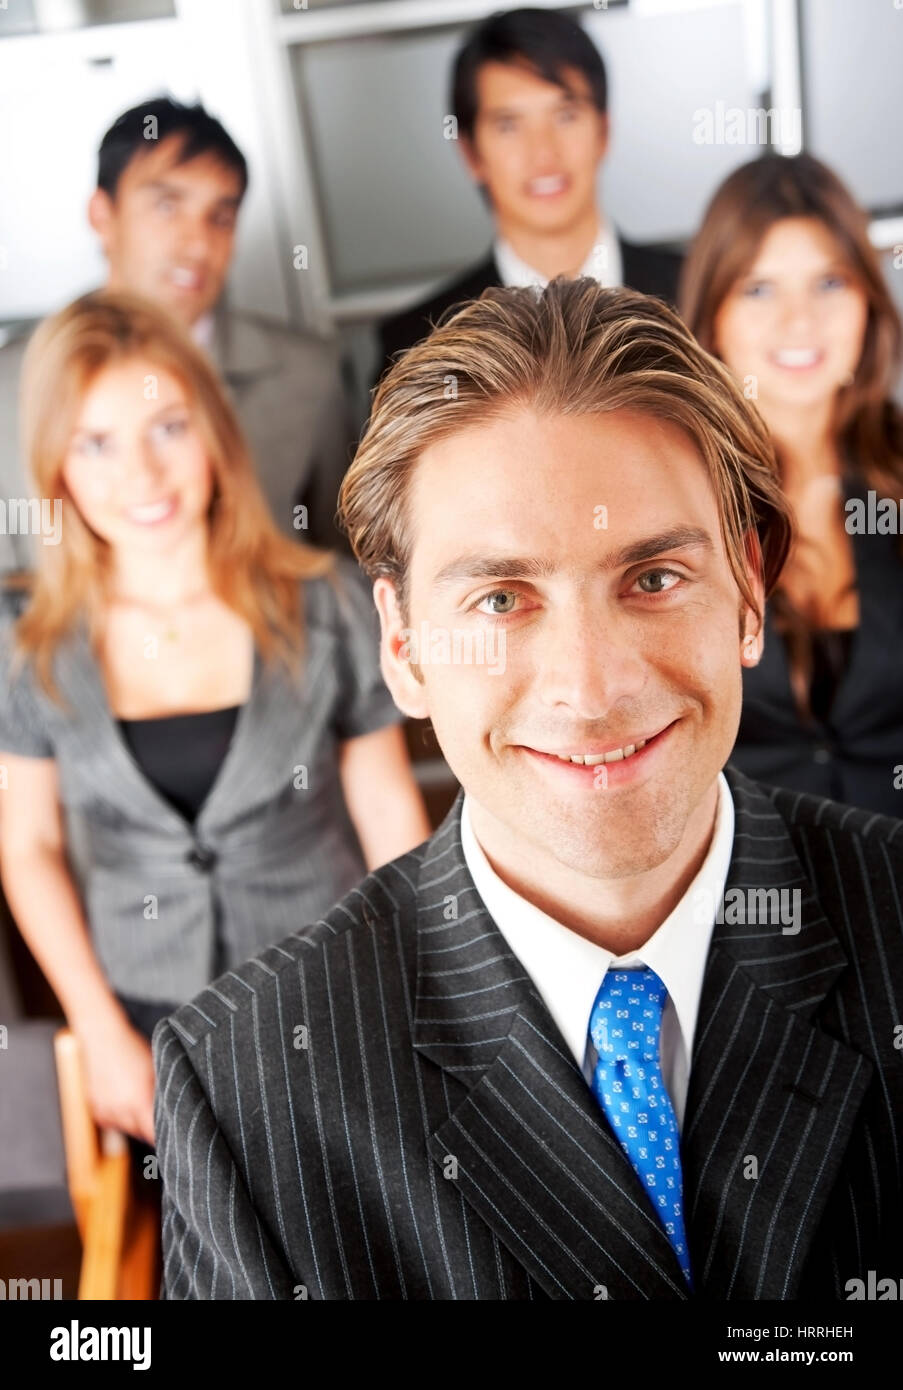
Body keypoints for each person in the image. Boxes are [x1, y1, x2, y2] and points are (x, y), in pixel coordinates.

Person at [153, 280, 903, 1300]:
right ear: (405, 645)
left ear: (748, 593)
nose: (591, 689)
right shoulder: (248, 1086)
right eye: (502, 599)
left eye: (653, 579)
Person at [0, 290, 430, 1147]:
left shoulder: (328, 605)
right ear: (56, 465)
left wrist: (424, 983)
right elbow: (28, 847)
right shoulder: (29, 646)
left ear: (212, 429)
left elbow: (388, 813)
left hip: (333, 991)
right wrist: (100, 1036)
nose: (142, 477)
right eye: (96, 444)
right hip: (150, 1027)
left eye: (167, 429)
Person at [0, 97, 353, 570]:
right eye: (167, 206)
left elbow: (346, 564)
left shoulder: (306, 375)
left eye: (220, 217)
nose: (198, 243)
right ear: (102, 215)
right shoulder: (11, 384)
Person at [680, 153, 903, 815]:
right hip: (748, 895)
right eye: (758, 289)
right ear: (712, 312)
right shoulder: (673, 493)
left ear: (866, 296)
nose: (799, 321)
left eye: (828, 283)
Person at [375, 7, 682, 384]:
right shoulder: (415, 345)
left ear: (603, 132)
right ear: (471, 154)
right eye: (509, 126)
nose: (543, 154)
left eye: (565, 116)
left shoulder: (699, 296)